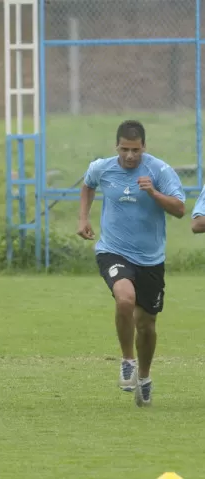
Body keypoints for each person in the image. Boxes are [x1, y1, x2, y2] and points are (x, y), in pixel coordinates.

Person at [77, 119, 185, 408]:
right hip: (113, 251)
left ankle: (145, 378)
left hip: (151, 259)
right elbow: (87, 185)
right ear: (117, 146)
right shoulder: (103, 167)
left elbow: (179, 210)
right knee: (124, 300)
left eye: (135, 150)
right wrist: (83, 218)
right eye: (124, 149)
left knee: (146, 325)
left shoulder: (159, 171)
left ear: (144, 148)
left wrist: (153, 193)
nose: (129, 156)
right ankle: (127, 361)